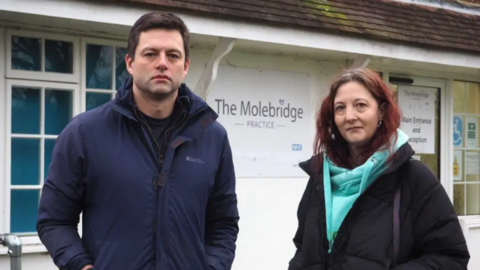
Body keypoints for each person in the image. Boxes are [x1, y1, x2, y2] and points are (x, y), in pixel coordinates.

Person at [37, 11, 239, 270]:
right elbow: (53, 221)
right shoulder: (84, 133)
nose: (162, 63)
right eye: (151, 53)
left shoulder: (212, 136)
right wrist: (81, 266)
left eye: (173, 55)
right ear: (130, 63)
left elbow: (223, 224)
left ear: (185, 66)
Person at [288, 68, 469, 270]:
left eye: (360, 105)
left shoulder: (414, 178)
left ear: (381, 111)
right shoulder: (320, 179)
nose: (349, 116)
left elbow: (450, 258)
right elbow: (303, 249)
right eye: (340, 108)